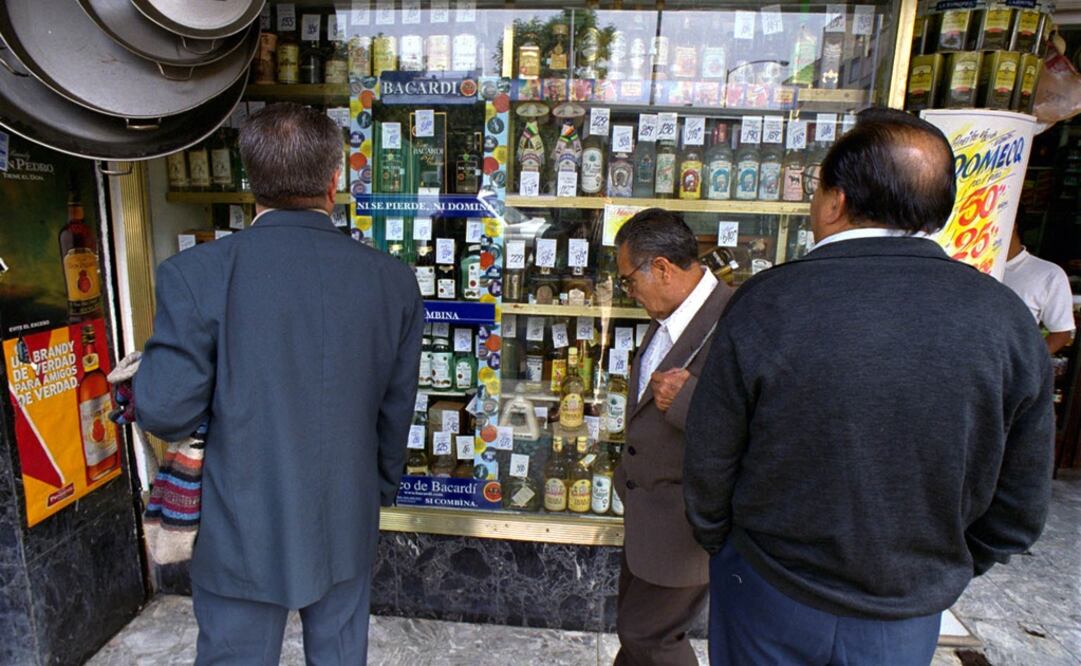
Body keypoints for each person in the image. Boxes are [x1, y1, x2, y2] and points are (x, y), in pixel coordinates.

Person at [684, 108, 1054, 665]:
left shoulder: (770, 301)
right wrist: (937, 568)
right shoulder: (1005, 319)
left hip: (769, 586)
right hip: (904, 606)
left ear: (834, 201)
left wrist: (725, 543)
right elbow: (1021, 504)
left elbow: (711, 455)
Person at [134, 103, 424, 665]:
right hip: (346, 513)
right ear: (335, 180)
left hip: (236, 520)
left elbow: (165, 410)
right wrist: (374, 491)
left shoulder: (195, 274)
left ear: (251, 180)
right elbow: (396, 410)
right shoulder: (391, 279)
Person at [611, 208, 733, 665]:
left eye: (629, 280)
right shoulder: (673, 315)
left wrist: (688, 401)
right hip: (648, 517)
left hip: (685, 524)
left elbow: (760, 423)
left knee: (651, 635)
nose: (629, 291)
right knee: (638, 632)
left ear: (660, 268)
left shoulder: (735, 319)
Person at [1003, 224, 1076, 354]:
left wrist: (1027, 366)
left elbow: (1061, 333)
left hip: (1006, 370)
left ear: (1012, 225)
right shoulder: (965, 266)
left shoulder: (1048, 274)